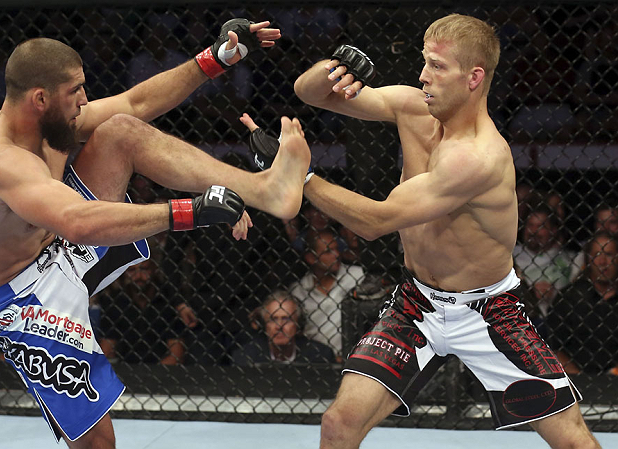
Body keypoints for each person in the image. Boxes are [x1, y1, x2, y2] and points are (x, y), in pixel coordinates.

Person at [0, 19, 311, 448]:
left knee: (120, 129)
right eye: (75, 91)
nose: (84, 100)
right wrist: (188, 211)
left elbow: (135, 102)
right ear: (40, 99)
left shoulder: (50, 122)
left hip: (62, 245)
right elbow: (78, 221)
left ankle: (267, 189)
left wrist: (215, 60)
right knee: (98, 444)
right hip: (20, 300)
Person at [244, 13, 599, 449]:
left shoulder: (478, 157)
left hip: (490, 311)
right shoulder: (412, 107)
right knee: (339, 423)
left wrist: (298, 176)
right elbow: (309, 93)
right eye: (424, 61)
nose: (422, 75)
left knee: (572, 442)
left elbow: (375, 222)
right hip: (417, 303)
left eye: (437, 66)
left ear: (474, 78)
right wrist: (336, 68)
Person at [547, 231, 618, 375]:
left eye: (609, 255)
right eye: (597, 255)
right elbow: (553, 348)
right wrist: (580, 380)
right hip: (576, 379)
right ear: (588, 259)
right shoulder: (568, 299)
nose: (603, 262)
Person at [289, 229, 365, 360]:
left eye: (337, 249)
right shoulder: (299, 290)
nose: (336, 255)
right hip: (316, 359)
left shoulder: (357, 276)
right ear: (311, 258)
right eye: (328, 251)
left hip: (355, 357)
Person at [98, 259, 186, 365]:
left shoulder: (167, 300)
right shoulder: (117, 302)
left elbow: (176, 355)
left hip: (162, 371)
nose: (138, 275)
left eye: (144, 269)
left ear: (154, 270)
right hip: (125, 368)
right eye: (131, 270)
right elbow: (107, 349)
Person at [232, 290, 335, 365]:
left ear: (298, 324)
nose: (279, 326)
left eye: (286, 319)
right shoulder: (245, 357)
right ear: (264, 325)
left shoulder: (320, 356)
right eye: (273, 319)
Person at [514, 204, 576, 318]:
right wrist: (530, 293)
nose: (533, 231)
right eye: (530, 225)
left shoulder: (569, 259)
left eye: (540, 226)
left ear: (553, 230)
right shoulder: (512, 256)